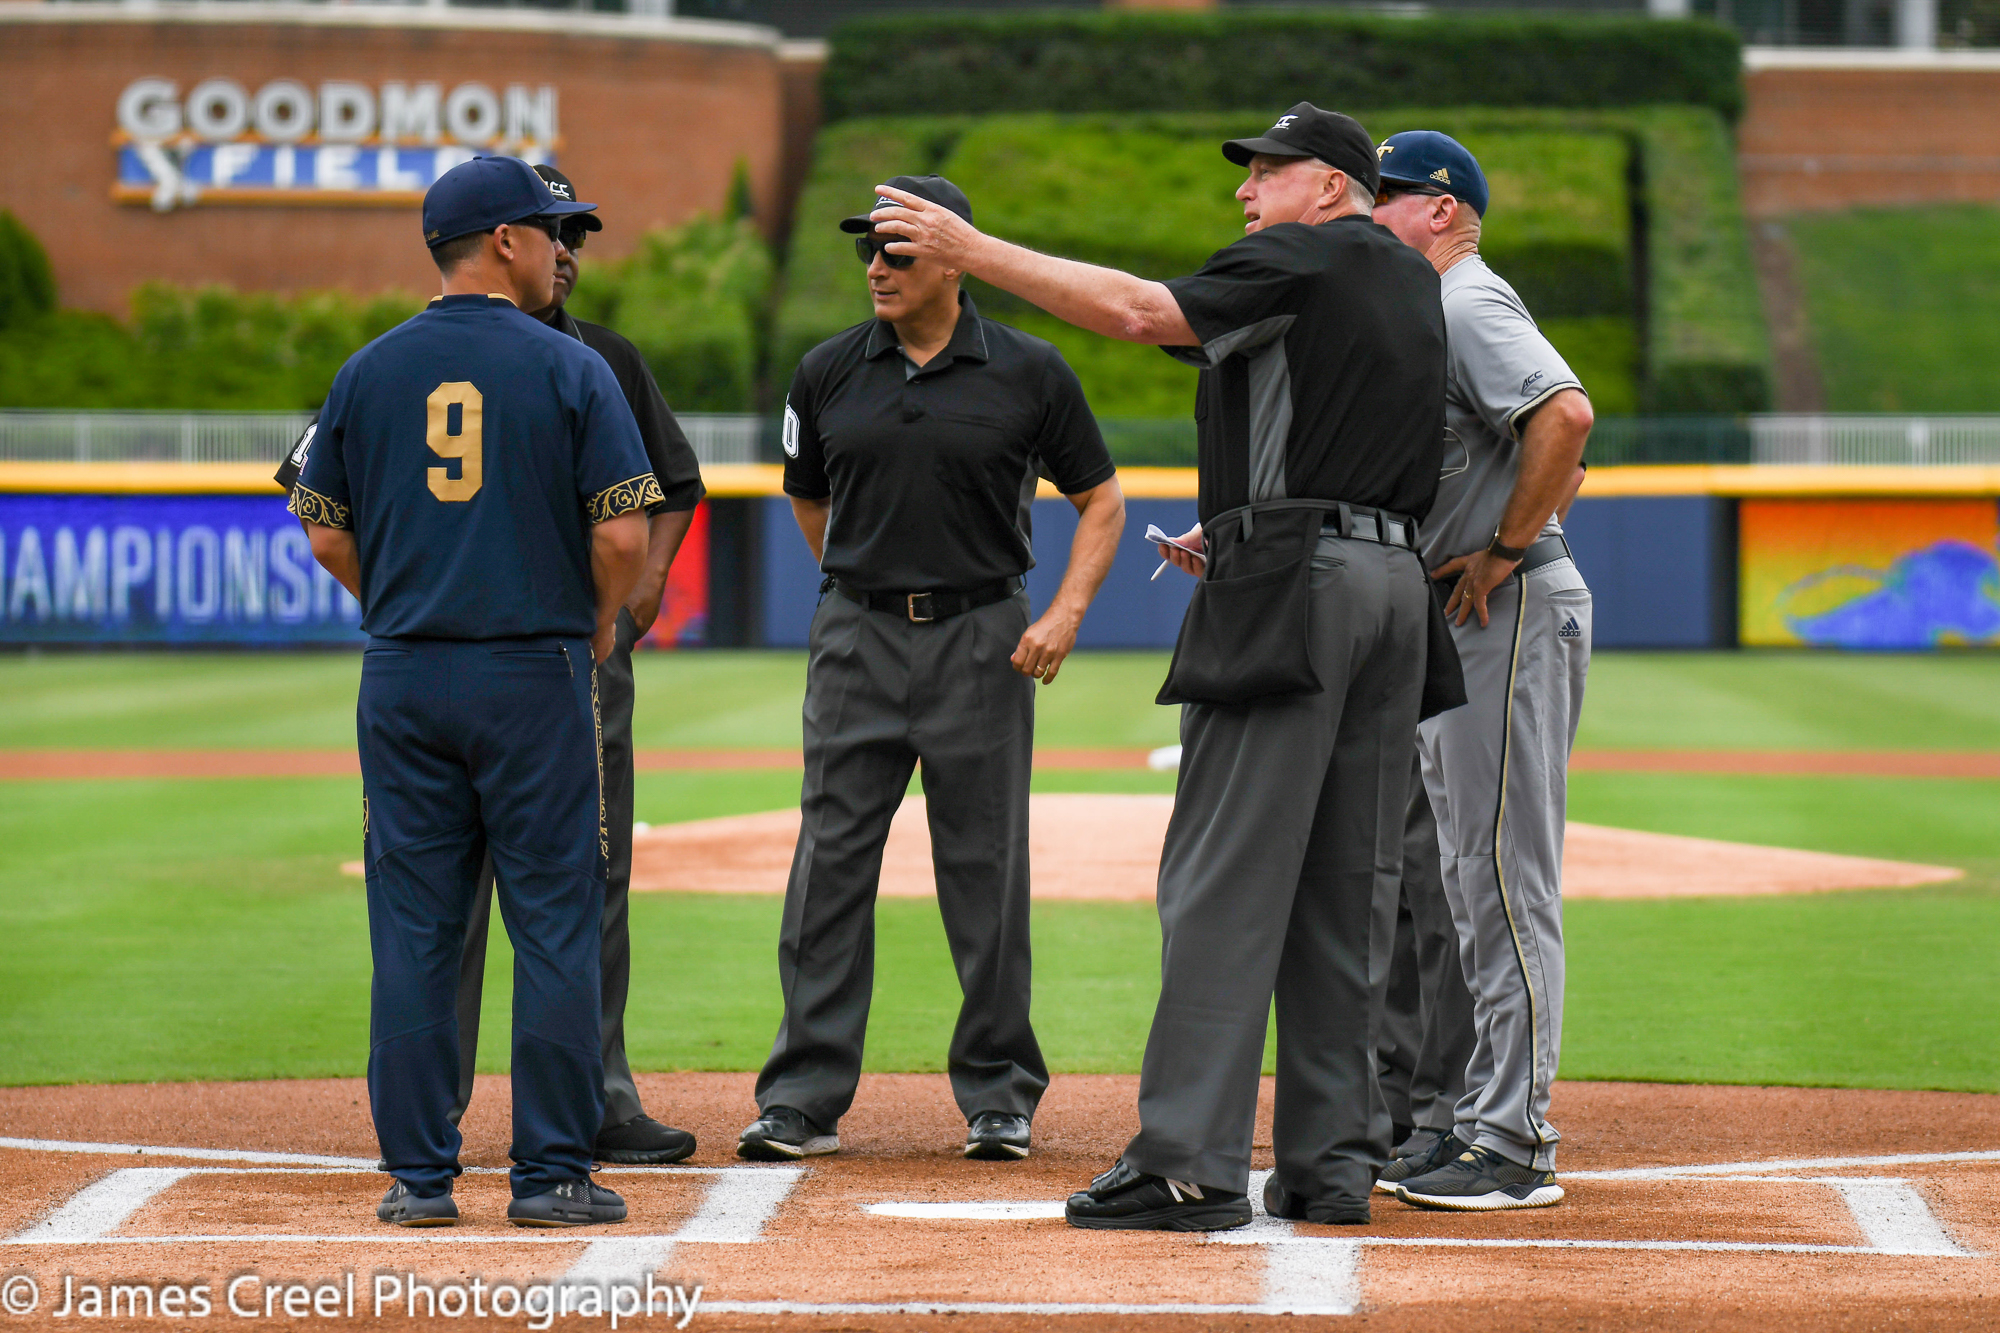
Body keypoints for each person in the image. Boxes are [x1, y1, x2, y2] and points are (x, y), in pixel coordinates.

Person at [870, 105, 1453, 1230]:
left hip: (1301, 586)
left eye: (1267, 171)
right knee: (1351, 888)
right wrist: (1239, 520)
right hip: (1393, 587)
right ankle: (1333, 1162)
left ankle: (1186, 1161)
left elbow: (1139, 311)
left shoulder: (1303, 255)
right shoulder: (1403, 275)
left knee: (1222, 880)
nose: (1245, 191)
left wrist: (969, 249)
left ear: (1331, 186)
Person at [275, 165, 707, 1167]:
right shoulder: (574, 365)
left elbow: (322, 526)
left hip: (407, 669)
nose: (565, 250)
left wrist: (399, 603)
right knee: (557, 913)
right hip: (534, 666)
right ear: (505, 241)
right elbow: (624, 531)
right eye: (552, 231)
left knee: (414, 923)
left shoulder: (368, 366)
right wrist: (595, 622)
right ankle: (554, 1168)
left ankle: (419, 1171)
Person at [737, 175, 1125, 1165]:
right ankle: (800, 1097)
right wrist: (861, 590)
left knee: (985, 872)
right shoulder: (825, 371)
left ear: (953, 258)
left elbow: (1101, 499)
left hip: (981, 639)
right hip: (856, 638)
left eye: (897, 250)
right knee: (828, 868)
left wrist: (1064, 612)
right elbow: (809, 501)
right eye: (867, 248)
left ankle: (998, 1094)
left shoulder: (1030, 369)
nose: (875, 266)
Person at [1368, 130, 1594, 1212]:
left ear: (1443, 209)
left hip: (1504, 604)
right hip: (1468, 611)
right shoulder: (1439, 307)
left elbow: (1567, 418)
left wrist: (1504, 546)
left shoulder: (1465, 301)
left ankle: (1514, 1141)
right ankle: (1473, 1120)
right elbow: (1561, 453)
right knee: (1467, 877)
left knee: (1501, 876)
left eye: (1389, 195)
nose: (1372, 212)